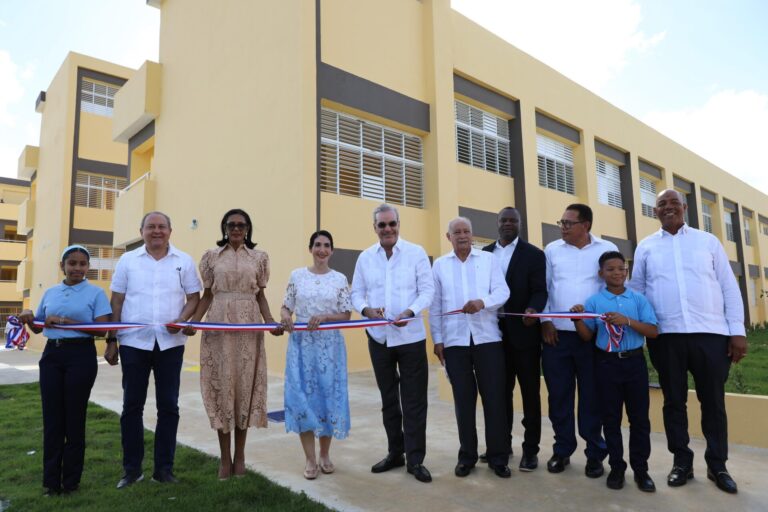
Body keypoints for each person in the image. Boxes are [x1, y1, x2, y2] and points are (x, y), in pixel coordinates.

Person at [629, 189, 747, 494]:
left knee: (713, 402)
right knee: (673, 402)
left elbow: (728, 287)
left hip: (711, 335)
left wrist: (737, 331)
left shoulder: (708, 242)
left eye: (674, 203)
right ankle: (681, 462)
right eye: (661, 204)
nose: (668, 208)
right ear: (654, 211)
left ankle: (717, 465)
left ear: (684, 207)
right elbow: (637, 291)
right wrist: (639, 329)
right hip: (666, 336)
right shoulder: (646, 247)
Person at [182, 209, 281, 480]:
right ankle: (225, 457)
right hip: (219, 326)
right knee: (223, 388)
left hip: (248, 327)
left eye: (241, 225)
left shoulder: (259, 258)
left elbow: (260, 295)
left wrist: (270, 322)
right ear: (224, 228)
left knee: (243, 389)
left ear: (248, 228)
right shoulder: (211, 257)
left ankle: (241, 456)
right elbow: (207, 295)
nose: (236, 228)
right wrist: (194, 322)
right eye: (231, 224)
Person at [105, 211, 201, 489]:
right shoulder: (127, 260)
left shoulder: (184, 261)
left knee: (168, 406)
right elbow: (117, 300)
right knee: (131, 406)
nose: (156, 231)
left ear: (170, 231)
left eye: (161, 227)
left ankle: (163, 470)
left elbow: (194, 297)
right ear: (142, 231)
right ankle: (132, 470)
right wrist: (111, 340)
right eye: (151, 227)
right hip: (134, 343)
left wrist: (181, 319)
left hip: (170, 345)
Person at [351, 203, 435, 483]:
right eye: (382, 225)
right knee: (389, 400)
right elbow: (356, 293)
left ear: (399, 224)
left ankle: (416, 459)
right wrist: (367, 310)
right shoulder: (365, 257)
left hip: (410, 337)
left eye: (392, 224)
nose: (387, 229)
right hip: (378, 337)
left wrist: (410, 312)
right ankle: (395, 453)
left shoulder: (416, 253)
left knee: (414, 401)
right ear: (374, 228)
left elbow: (427, 291)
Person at [19, 245, 111, 496]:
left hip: (80, 356)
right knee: (52, 420)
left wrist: (65, 322)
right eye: (72, 263)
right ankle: (51, 483)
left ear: (88, 267)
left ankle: (71, 482)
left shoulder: (96, 293)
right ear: (62, 266)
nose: (77, 268)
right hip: (52, 356)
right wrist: (28, 316)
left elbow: (102, 329)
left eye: (82, 264)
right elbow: (39, 326)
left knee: (74, 419)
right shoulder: (50, 292)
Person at [570, 251, 658, 492]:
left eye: (621, 268)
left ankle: (641, 470)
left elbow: (653, 331)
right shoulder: (594, 302)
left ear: (626, 272)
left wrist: (627, 321)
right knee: (610, 419)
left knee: (639, 419)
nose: (617, 273)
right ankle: (617, 467)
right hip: (607, 365)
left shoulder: (638, 300)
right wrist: (578, 320)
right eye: (610, 269)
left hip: (634, 363)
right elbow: (587, 336)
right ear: (601, 273)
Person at [430, 217, 511, 478]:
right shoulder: (440, 265)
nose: (463, 235)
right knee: (463, 402)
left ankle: (498, 457)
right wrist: (438, 340)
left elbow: (503, 292)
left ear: (472, 234)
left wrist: (482, 302)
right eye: (457, 232)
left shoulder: (489, 260)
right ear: (449, 237)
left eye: (466, 231)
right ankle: (467, 457)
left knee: (494, 400)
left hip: (488, 340)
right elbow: (435, 306)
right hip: (455, 343)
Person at [541, 203, 615, 477]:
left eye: (568, 223)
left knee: (591, 398)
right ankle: (562, 450)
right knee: (559, 397)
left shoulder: (605, 249)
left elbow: (612, 289)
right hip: (556, 337)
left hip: (591, 338)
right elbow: (544, 287)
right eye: (561, 222)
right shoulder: (552, 250)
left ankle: (595, 453)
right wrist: (545, 321)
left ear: (586, 225)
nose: (562, 227)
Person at [280, 230, 352, 480]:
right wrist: (286, 317)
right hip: (302, 346)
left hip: (330, 348)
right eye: (318, 245)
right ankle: (310, 459)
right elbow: (286, 306)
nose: (322, 249)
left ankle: (325, 454)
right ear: (310, 248)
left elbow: (346, 314)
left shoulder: (340, 279)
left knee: (327, 398)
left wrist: (325, 317)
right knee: (303, 398)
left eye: (327, 245)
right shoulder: (297, 276)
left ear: (332, 250)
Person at [481, 207, 547, 471]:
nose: (508, 224)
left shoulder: (534, 255)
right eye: (504, 220)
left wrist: (533, 309)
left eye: (513, 220)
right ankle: (501, 445)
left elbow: (540, 291)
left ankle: (530, 450)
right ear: (497, 223)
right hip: (492, 335)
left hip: (524, 334)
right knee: (499, 394)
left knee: (530, 394)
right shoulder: (484, 254)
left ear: (520, 224)